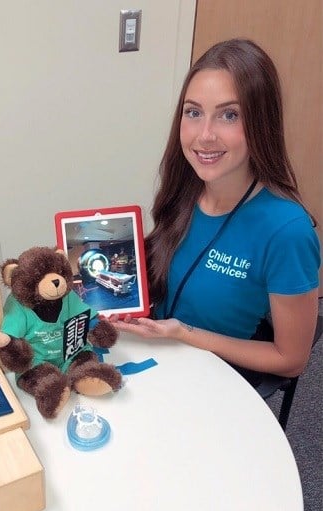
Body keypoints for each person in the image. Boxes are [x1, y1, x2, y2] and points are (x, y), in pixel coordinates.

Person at [111, 38, 320, 384]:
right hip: (155, 357)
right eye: (193, 112)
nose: (204, 135)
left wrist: (184, 333)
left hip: (218, 384)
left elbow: (291, 359)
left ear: (260, 124)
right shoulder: (186, 189)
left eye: (229, 115)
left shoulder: (287, 231)